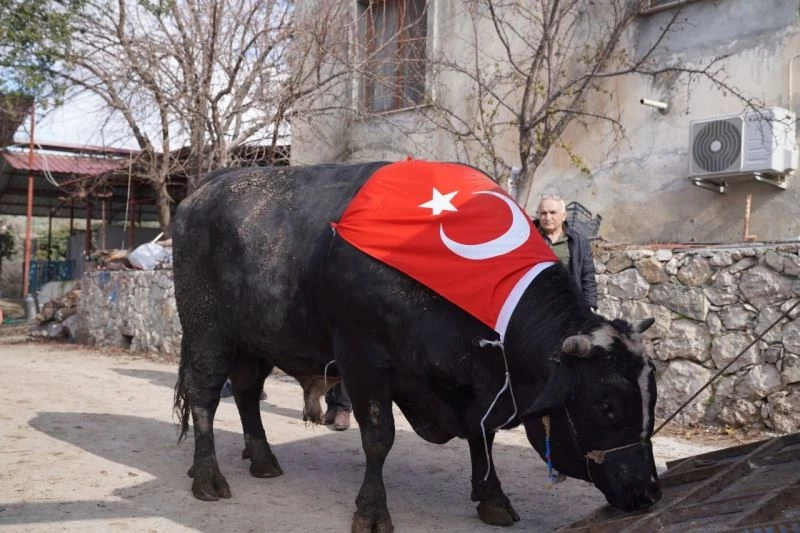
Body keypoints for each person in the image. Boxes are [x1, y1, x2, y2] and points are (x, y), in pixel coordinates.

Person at [533, 193, 597, 310]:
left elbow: (587, 276)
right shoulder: (528, 239)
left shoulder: (578, 242)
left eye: (552, 212)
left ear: (563, 216)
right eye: (543, 213)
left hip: (569, 306)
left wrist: (590, 306)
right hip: (536, 306)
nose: (547, 217)